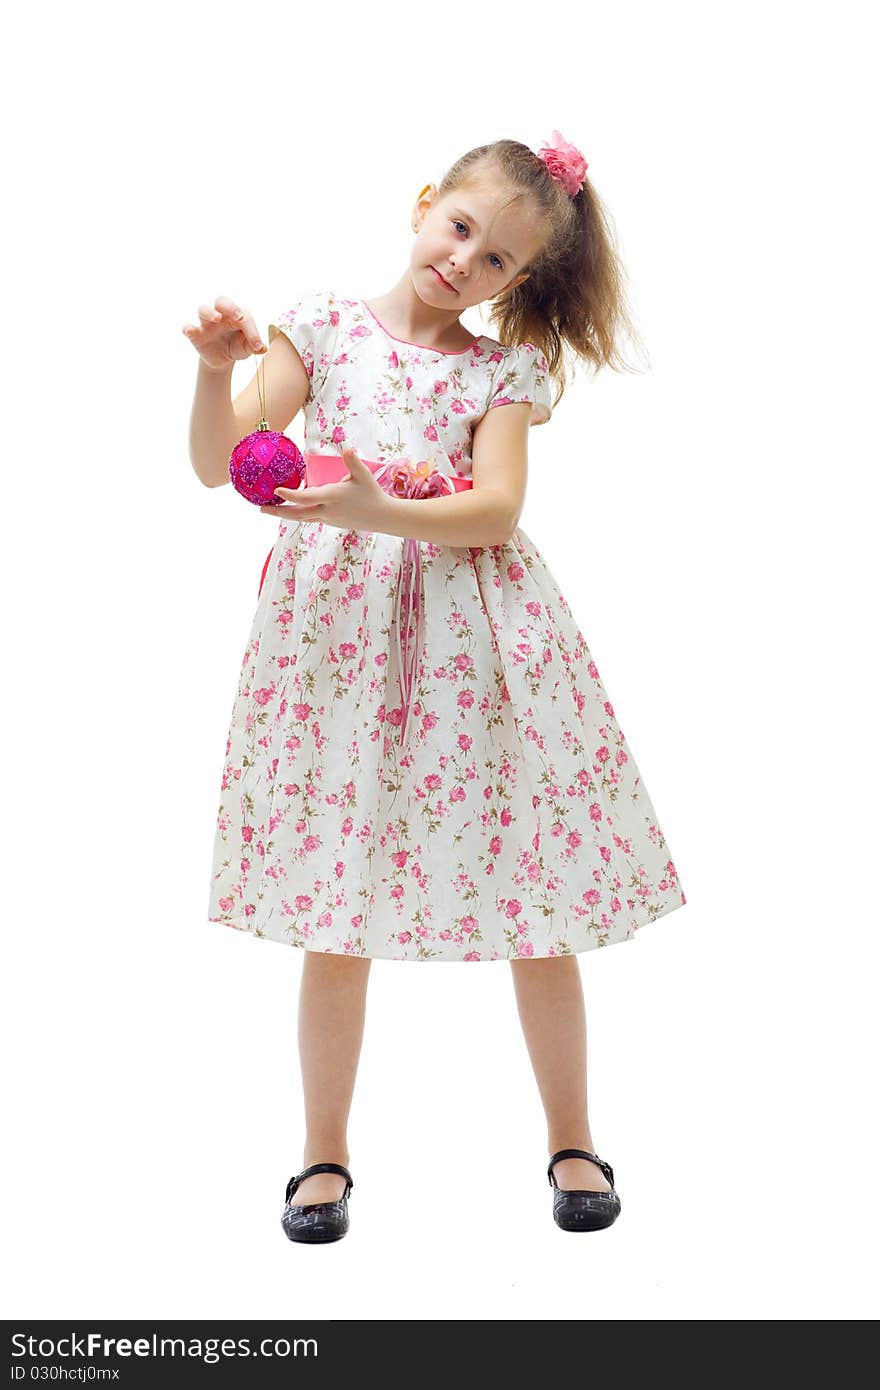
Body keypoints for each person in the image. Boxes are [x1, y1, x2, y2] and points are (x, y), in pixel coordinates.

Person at [184, 132, 687, 1243]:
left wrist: (379, 511)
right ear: (425, 206)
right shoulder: (318, 330)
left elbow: (496, 509)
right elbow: (223, 462)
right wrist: (219, 369)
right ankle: (323, 1152)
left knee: (534, 888)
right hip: (342, 646)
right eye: (460, 228)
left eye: (499, 260)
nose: (466, 262)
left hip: (478, 643)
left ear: (518, 284)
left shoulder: (500, 371)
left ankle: (572, 1136)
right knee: (336, 894)